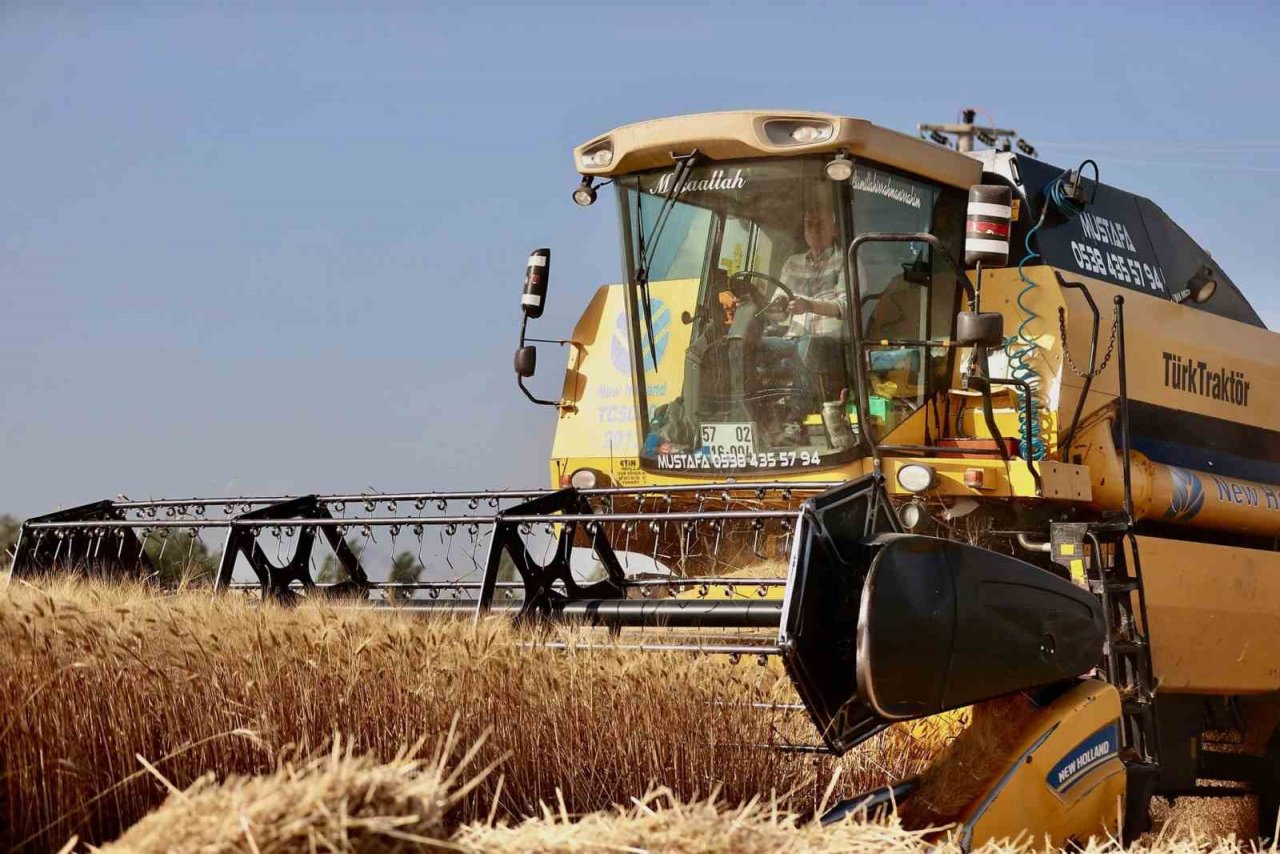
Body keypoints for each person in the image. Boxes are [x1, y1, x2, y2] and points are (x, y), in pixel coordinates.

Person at [760, 205, 849, 444]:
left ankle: (794, 419)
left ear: (834, 229)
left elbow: (843, 307)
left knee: (808, 344)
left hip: (834, 345)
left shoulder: (846, 261)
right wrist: (769, 307)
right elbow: (777, 315)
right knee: (750, 344)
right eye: (809, 224)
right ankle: (751, 415)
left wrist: (808, 305)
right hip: (792, 339)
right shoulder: (792, 263)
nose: (814, 229)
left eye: (820, 224)